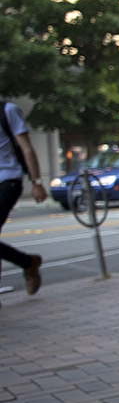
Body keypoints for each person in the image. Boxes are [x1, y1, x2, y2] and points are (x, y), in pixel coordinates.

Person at [0, 100, 46, 298]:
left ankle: (28, 262)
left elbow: (27, 148)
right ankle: (28, 262)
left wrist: (36, 182)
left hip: (8, 179)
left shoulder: (7, 110)